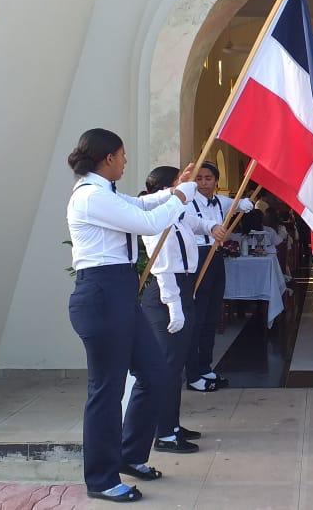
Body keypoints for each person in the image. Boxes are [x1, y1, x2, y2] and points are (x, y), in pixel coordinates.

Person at [66, 128, 197, 502]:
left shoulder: (104, 193)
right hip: (102, 294)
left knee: (156, 373)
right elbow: (148, 224)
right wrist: (182, 198)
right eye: (122, 155)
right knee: (106, 390)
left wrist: (173, 192)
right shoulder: (90, 197)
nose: (125, 162)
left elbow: (140, 206)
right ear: (107, 159)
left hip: (121, 292)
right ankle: (102, 478)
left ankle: (130, 455)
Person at [139, 166, 227, 455]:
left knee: (175, 366)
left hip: (182, 289)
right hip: (167, 294)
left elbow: (196, 222)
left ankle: (172, 425)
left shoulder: (176, 213)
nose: (189, 186)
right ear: (167, 188)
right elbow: (162, 265)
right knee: (167, 366)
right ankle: (163, 433)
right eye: (182, 182)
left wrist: (212, 227)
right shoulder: (157, 219)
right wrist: (174, 305)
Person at [184, 161, 253, 392]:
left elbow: (238, 204)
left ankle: (205, 366)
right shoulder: (187, 202)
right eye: (199, 178)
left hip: (215, 257)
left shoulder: (219, 201)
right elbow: (191, 226)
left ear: (216, 181)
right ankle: (192, 373)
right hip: (197, 258)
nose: (203, 183)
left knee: (212, 314)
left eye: (208, 178)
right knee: (198, 317)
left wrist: (246, 203)